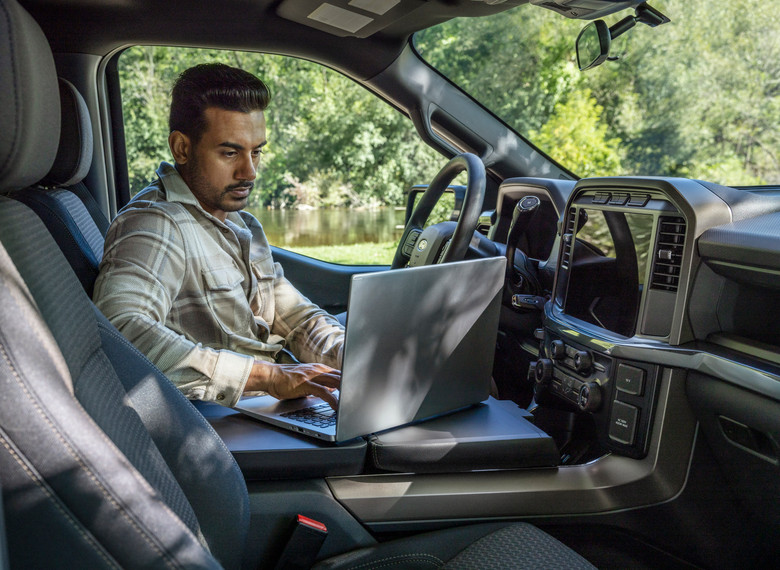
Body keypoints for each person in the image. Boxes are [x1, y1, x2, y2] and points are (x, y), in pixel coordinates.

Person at [94, 63, 344, 409]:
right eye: (230, 152)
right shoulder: (156, 224)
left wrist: (352, 358)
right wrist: (267, 377)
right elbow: (119, 331)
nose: (249, 171)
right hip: (220, 418)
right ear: (182, 148)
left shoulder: (241, 222)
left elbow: (295, 317)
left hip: (271, 405)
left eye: (256, 151)